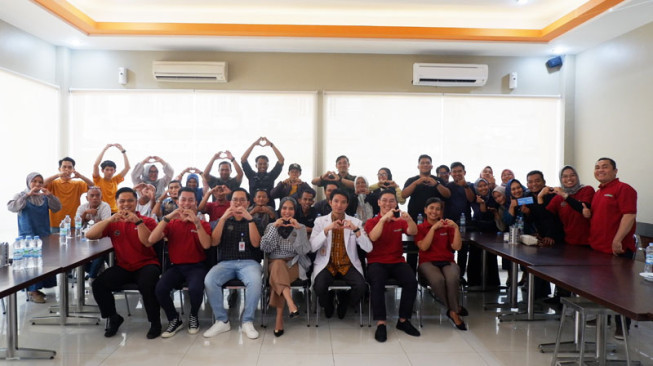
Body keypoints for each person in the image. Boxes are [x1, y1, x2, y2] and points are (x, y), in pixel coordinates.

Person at [86, 187, 161, 339]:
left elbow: (147, 242)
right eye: (122, 201)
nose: (126, 204)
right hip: (124, 267)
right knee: (98, 284)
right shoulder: (113, 223)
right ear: (116, 203)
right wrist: (108, 220)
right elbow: (90, 235)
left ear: (136, 202)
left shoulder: (148, 221)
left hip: (147, 264)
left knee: (147, 285)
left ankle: (155, 322)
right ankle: (113, 317)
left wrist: (138, 222)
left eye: (130, 201)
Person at [584, 157, 637, 339]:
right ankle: (603, 319)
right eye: (597, 167)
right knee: (601, 288)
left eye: (605, 167)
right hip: (598, 249)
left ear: (615, 171)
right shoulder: (598, 192)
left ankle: (623, 326)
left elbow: (629, 215)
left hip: (618, 250)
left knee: (621, 291)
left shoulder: (624, 189)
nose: (600, 170)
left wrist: (618, 239)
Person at [149, 187, 212, 338]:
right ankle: (174, 319)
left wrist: (196, 222)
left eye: (191, 200)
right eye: (183, 199)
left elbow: (207, 245)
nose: (187, 203)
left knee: (196, 289)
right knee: (160, 289)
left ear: (196, 203)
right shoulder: (171, 223)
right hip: (176, 266)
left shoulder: (202, 223)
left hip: (197, 266)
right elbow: (151, 239)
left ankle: (193, 315)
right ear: (177, 202)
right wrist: (169, 216)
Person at [203, 188, 263, 340]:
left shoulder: (255, 220)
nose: (238, 203)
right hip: (225, 263)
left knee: (255, 281)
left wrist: (249, 219)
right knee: (210, 280)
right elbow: (214, 242)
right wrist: (223, 219)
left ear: (248, 203)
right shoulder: (221, 220)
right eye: (235, 200)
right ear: (230, 202)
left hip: (249, 263)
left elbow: (256, 244)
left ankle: (247, 321)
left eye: (242, 200)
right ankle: (222, 320)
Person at [364, 189, 420, 342]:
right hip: (376, 262)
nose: (388, 204)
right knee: (377, 283)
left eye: (391, 201)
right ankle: (381, 323)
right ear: (379, 202)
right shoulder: (371, 222)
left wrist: (409, 219)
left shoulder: (399, 221)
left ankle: (403, 320)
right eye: (385, 200)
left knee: (411, 282)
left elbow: (413, 231)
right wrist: (383, 220)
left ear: (396, 203)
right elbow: (373, 237)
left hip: (397, 261)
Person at [310, 189, 372, 321]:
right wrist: (326, 230)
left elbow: (369, 248)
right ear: (330, 202)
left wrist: (355, 230)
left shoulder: (355, 222)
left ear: (347, 204)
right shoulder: (320, 222)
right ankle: (328, 305)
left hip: (347, 264)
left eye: (343, 202)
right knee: (319, 287)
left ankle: (344, 302)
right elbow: (312, 247)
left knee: (361, 287)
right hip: (327, 264)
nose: (339, 205)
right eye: (336, 201)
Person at [260, 197, 311, 337]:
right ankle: (290, 304)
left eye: (290, 208)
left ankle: (279, 318)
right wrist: (275, 228)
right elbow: (264, 247)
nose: (287, 212)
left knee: (278, 274)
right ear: (280, 209)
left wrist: (299, 230)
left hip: (293, 264)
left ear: (295, 211)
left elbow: (304, 251)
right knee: (277, 265)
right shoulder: (271, 226)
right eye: (284, 208)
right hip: (273, 263)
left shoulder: (299, 226)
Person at [7, 172, 61, 303]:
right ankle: (32, 291)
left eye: (40, 182)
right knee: (31, 265)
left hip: (43, 234)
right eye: (34, 181)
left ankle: (39, 287)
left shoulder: (43, 197)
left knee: (44, 263)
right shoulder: (21, 195)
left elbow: (57, 208)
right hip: (28, 237)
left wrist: (50, 196)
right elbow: (11, 207)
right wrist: (27, 195)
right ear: (28, 182)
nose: (37, 184)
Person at [415, 198, 466, 330]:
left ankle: (452, 312)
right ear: (425, 210)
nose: (434, 211)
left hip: (447, 261)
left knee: (452, 278)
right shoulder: (419, 228)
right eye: (431, 208)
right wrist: (433, 229)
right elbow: (424, 247)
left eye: (438, 209)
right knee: (438, 280)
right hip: (427, 262)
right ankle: (454, 309)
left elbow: (457, 247)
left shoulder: (447, 226)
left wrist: (455, 228)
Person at [543, 166, 595, 246]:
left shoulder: (587, 190)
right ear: (561, 179)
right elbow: (546, 216)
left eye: (572, 175)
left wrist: (564, 195)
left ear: (577, 176)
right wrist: (540, 197)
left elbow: (582, 208)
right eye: (565, 176)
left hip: (590, 242)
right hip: (569, 242)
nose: (569, 178)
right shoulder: (558, 198)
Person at [44, 157, 93, 232]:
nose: (67, 169)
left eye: (70, 167)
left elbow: (93, 187)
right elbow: (41, 184)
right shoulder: (53, 183)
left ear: (73, 170)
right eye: (64, 167)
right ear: (59, 169)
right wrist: (57, 175)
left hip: (73, 223)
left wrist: (81, 176)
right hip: (55, 223)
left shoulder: (78, 184)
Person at [76, 187, 112, 280]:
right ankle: (94, 273)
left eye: (97, 195)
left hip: (101, 238)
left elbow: (105, 224)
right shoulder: (82, 207)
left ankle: (92, 276)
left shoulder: (105, 206)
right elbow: (78, 224)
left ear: (101, 197)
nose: (95, 198)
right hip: (84, 239)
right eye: (92, 196)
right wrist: (85, 214)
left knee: (100, 253)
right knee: (77, 256)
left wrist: (89, 220)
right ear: (87, 198)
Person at [402, 154, 451, 222]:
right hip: (415, 217)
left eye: (427, 163)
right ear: (418, 166)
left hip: (434, 218)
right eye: (422, 163)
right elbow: (403, 195)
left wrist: (436, 184)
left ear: (431, 166)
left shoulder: (438, 180)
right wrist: (415, 183)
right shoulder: (411, 180)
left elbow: (447, 195)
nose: (425, 165)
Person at [241, 137, 285, 205]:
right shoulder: (251, 175)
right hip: (253, 208)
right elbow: (243, 159)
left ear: (268, 165)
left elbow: (281, 160)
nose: (262, 166)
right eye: (260, 164)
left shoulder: (271, 175)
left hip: (269, 207)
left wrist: (271, 145)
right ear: (256, 165)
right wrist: (253, 144)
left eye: (264, 164)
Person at [92, 143, 130, 213]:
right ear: (102, 170)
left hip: (114, 211)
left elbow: (127, 168)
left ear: (114, 171)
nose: (109, 172)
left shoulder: (115, 180)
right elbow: (95, 165)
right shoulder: (98, 180)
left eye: (111, 170)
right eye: (107, 169)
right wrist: (104, 149)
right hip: (102, 211)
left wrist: (123, 151)